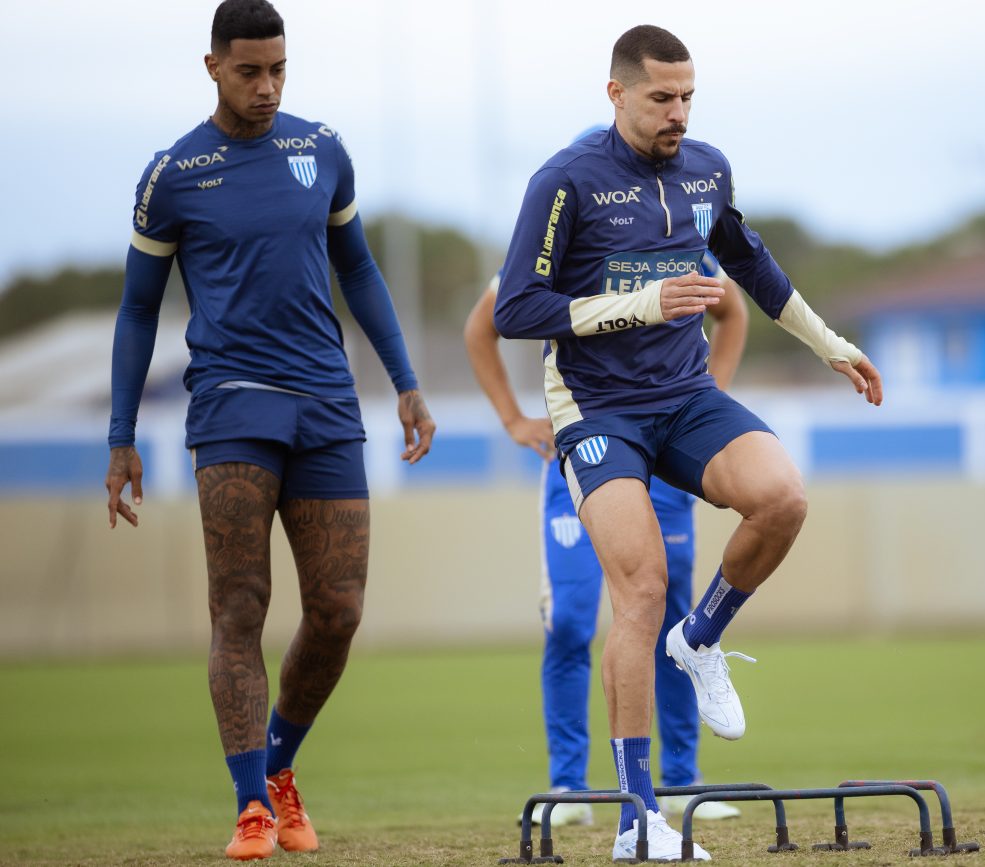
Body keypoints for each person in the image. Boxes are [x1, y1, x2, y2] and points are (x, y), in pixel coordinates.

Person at [493, 24, 883, 862]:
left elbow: (753, 264)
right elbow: (515, 309)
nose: (678, 112)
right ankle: (638, 818)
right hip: (597, 410)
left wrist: (831, 345)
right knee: (640, 587)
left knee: (783, 497)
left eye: (688, 98)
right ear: (617, 94)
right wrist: (642, 303)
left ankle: (700, 638)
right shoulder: (565, 181)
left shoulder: (707, 168)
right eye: (661, 97)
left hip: (685, 396)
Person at [104, 1, 435, 859]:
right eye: (250, 71)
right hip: (231, 407)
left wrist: (404, 381)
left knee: (339, 610)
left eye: (279, 69)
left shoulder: (322, 149)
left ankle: (279, 765)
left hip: (326, 403)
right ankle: (251, 803)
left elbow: (358, 268)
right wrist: (120, 434)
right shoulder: (173, 175)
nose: (267, 86)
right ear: (213, 66)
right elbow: (137, 310)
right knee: (240, 605)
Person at [464, 257, 747, 826]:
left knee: (669, 613)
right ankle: (569, 785)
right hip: (589, 450)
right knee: (570, 620)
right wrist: (514, 420)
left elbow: (733, 311)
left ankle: (680, 780)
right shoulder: (562, 237)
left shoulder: (677, 233)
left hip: (666, 459)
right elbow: (482, 325)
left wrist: (707, 402)